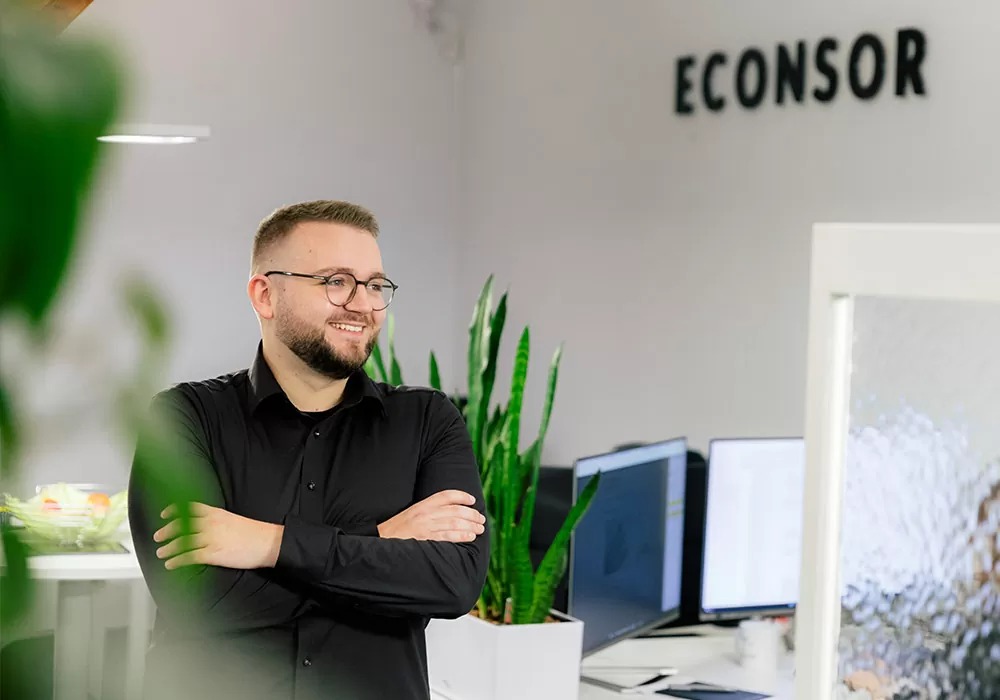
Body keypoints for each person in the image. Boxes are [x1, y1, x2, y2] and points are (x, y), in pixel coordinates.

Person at [127, 200, 489, 700]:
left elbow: (453, 583)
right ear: (264, 294)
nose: (362, 303)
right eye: (336, 281)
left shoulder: (427, 421)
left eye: (375, 285)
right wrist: (380, 540)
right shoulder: (183, 418)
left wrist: (268, 545)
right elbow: (200, 603)